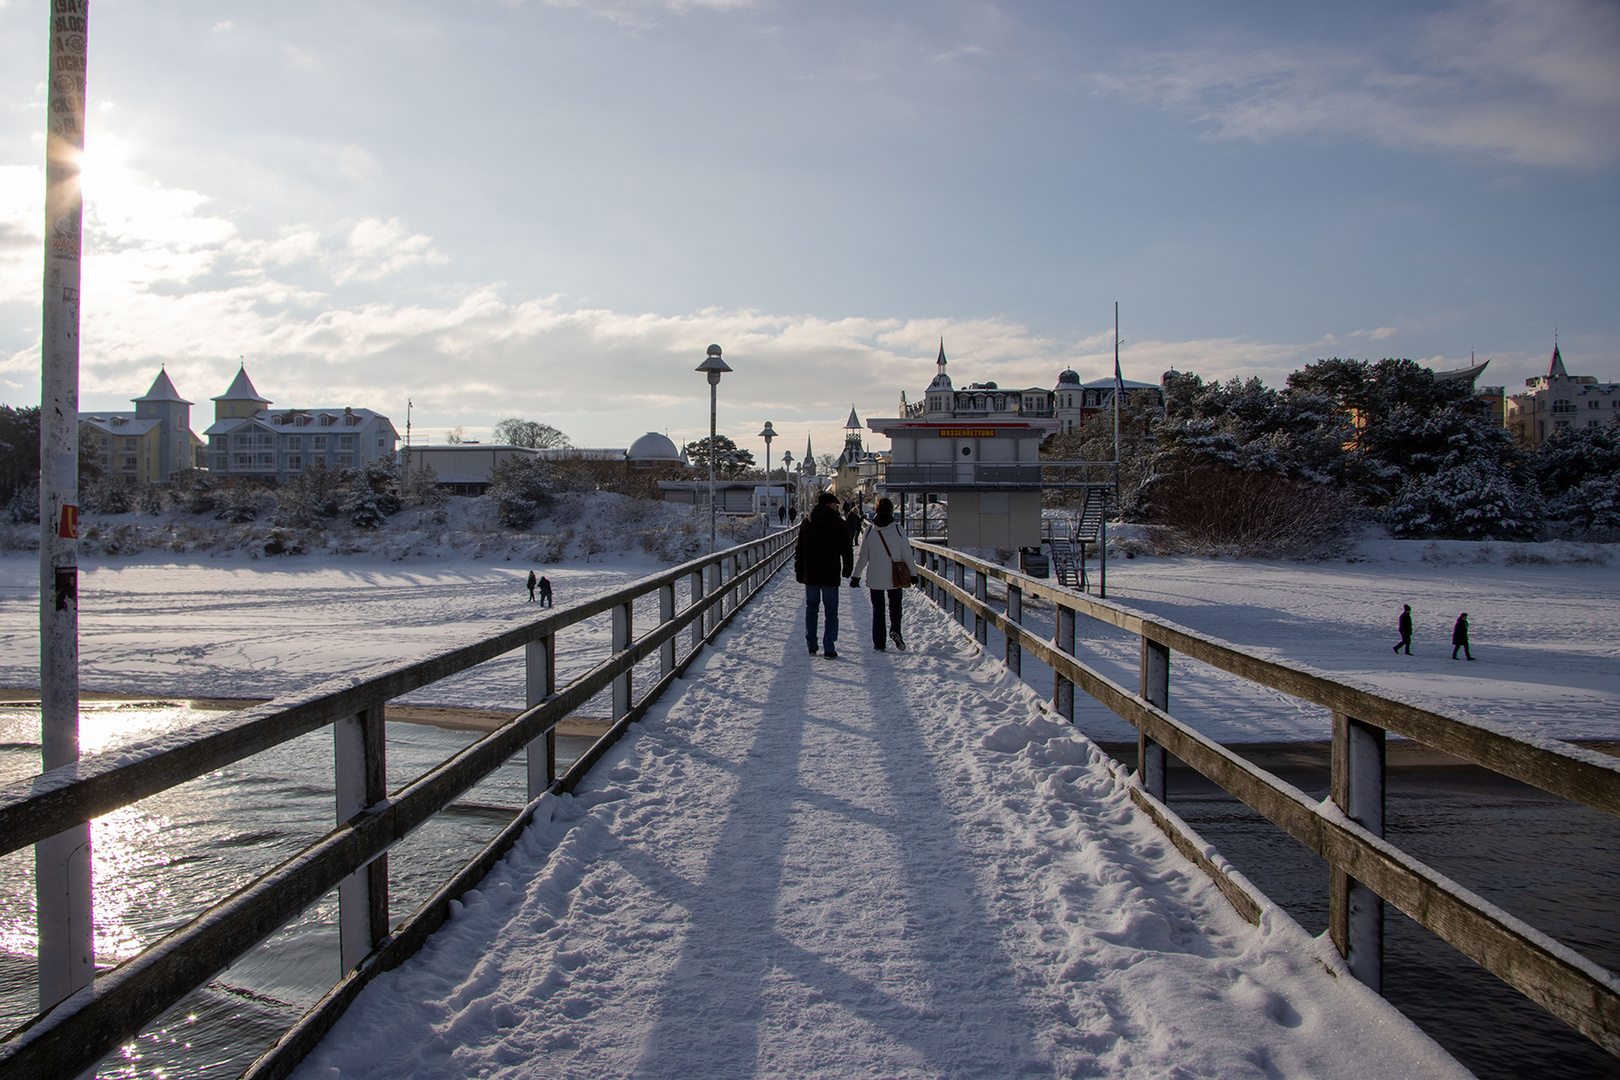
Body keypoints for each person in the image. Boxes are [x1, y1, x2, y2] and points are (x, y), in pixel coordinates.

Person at [851, 497, 921, 652]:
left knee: (878, 610)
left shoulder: (869, 530)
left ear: (876, 510)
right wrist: (913, 573)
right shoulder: (897, 529)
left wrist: (856, 576)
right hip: (894, 576)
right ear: (891, 510)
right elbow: (907, 554)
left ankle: (879, 643)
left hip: (875, 577)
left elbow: (863, 556)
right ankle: (895, 629)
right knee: (895, 607)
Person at [794, 492, 853, 657]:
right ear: (829, 505)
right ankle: (829, 647)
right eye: (835, 505)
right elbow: (846, 549)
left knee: (811, 609)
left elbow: (799, 549)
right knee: (831, 611)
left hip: (811, 574)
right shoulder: (838, 523)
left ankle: (811, 644)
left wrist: (799, 571)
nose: (837, 508)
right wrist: (848, 568)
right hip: (830, 573)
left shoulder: (807, 523)